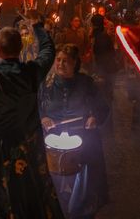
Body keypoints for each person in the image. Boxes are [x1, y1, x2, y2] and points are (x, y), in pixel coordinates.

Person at [0, 10, 64, 219]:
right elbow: (48, 51)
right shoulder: (32, 72)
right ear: (20, 49)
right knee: (29, 193)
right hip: (27, 145)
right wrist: (37, 26)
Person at [39, 44, 109, 219]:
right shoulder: (46, 84)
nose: (61, 64)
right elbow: (35, 107)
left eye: (66, 61)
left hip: (81, 135)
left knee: (85, 179)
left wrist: (94, 118)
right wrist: (42, 118)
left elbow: (102, 107)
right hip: (52, 137)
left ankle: (82, 209)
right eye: (58, 60)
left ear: (75, 63)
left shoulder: (86, 83)